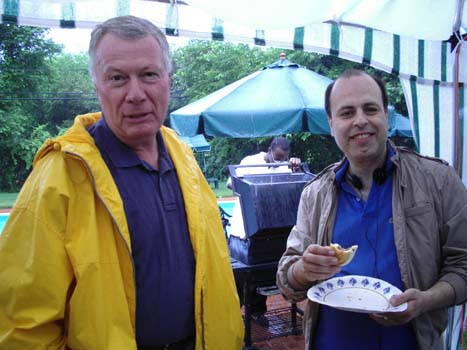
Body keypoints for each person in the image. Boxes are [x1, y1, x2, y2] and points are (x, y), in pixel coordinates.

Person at [0, 15, 243, 350]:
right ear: (97, 86)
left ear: (168, 80)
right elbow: (22, 324)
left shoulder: (183, 156)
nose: (136, 94)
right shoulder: (60, 177)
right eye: (117, 78)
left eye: (148, 75)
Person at [277, 69, 467, 349]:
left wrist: (427, 300)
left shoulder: (438, 180)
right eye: (346, 113)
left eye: (370, 109)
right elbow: (286, 281)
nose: (360, 120)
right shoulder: (314, 194)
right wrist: (304, 269)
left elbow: (463, 265)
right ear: (331, 124)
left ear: (386, 116)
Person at [228, 137, 301, 327]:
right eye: (276, 157)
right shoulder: (249, 162)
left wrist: (295, 167)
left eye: (283, 158)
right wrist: (254, 185)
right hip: (243, 229)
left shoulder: (286, 166)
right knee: (241, 277)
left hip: (268, 226)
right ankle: (232, 314)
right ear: (269, 150)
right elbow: (231, 184)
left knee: (262, 273)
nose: (279, 162)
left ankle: (256, 312)